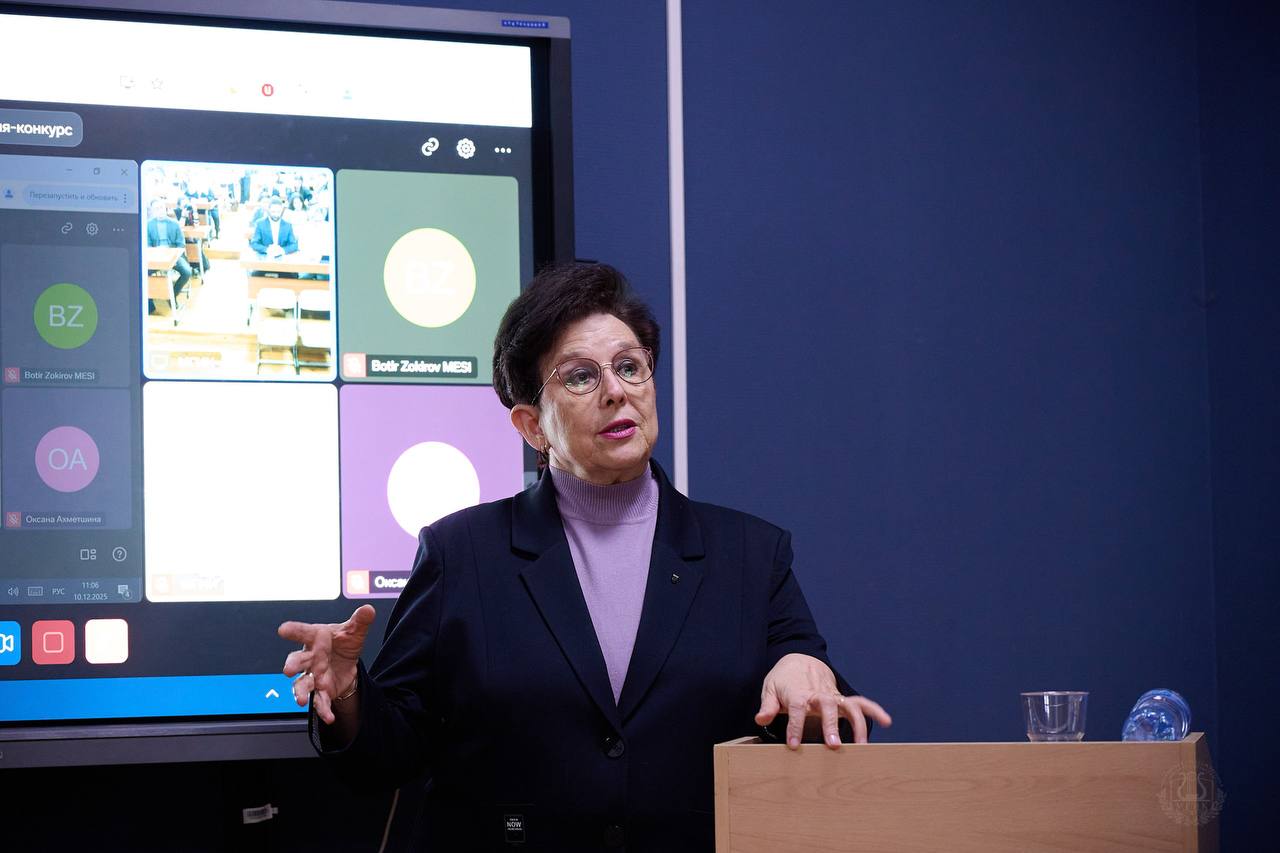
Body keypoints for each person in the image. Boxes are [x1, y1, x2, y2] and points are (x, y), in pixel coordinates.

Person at [278, 263, 890, 851]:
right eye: (580, 377)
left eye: (630, 367)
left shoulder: (752, 555)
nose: (617, 391)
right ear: (532, 426)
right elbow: (391, 753)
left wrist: (807, 681)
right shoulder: (461, 554)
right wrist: (351, 692)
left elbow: (819, 713)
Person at [145, 198, 191, 309]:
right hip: (156, 257)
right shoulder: (148, 225)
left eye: (161, 207)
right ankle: (150, 304)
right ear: (152, 211)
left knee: (187, 272)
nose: (159, 210)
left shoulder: (174, 224)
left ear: (165, 208)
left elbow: (181, 244)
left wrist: (174, 256)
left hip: (174, 256)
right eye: (156, 209)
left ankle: (172, 296)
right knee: (143, 273)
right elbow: (148, 246)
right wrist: (156, 251)